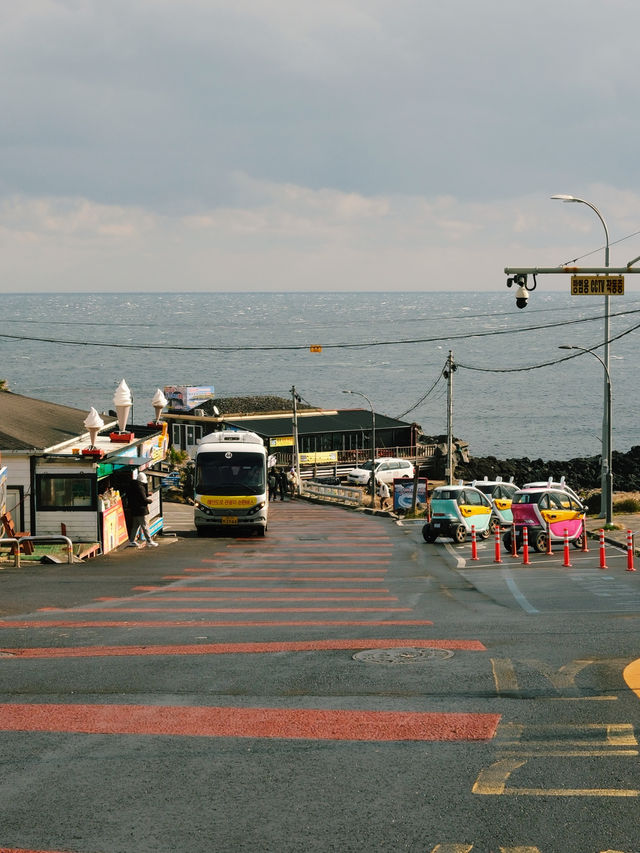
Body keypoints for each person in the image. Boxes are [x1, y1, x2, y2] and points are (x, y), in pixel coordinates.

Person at [127, 471, 158, 547]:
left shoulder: (131, 486)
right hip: (141, 510)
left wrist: (146, 494)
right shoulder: (140, 487)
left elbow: (137, 496)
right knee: (145, 526)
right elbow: (143, 499)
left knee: (135, 526)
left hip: (134, 510)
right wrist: (150, 501)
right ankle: (149, 541)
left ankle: (132, 541)